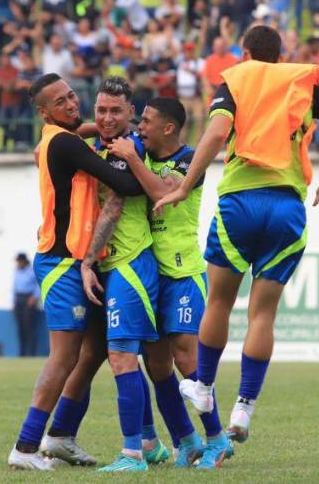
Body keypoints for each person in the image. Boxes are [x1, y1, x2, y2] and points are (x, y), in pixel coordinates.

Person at [155, 25, 319, 463]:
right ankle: (244, 409)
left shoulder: (236, 80)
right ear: (280, 55)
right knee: (263, 314)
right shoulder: (305, 82)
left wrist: (185, 186)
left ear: (245, 53)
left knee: (219, 304)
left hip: (239, 204)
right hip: (287, 208)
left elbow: (213, 135)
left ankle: (205, 387)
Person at [7, 73, 145, 471]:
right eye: (60, 102)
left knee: (98, 346)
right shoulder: (65, 143)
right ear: (44, 112)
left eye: (71, 96)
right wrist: (133, 151)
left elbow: (84, 130)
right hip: (62, 261)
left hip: (78, 260)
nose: (71, 104)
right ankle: (26, 447)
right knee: (64, 356)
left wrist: (108, 131)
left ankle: (61, 435)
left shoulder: (60, 138)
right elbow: (125, 184)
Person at [105, 97, 215, 467]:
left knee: (186, 357)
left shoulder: (189, 160)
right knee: (157, 365)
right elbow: (113, 135)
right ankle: (187, 441)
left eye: (147, 121)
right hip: (155, 272)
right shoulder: (146, 153)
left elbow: (163, 193)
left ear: (168, 128)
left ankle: (216, 438)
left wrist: (133, 159)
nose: (140, 127)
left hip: (183, 271)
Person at [13, 252, 41, 357]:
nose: (18, 263)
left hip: (29, 299)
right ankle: (22, 353)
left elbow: (38, 285)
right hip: (19, 300)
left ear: (24, 261)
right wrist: (14, 301)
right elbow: (14, 287)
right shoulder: (16, 272)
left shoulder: (31, 272)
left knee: (29, 327)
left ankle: (32, 353)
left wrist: (34, 297)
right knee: (20, 328)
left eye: (20, 261)